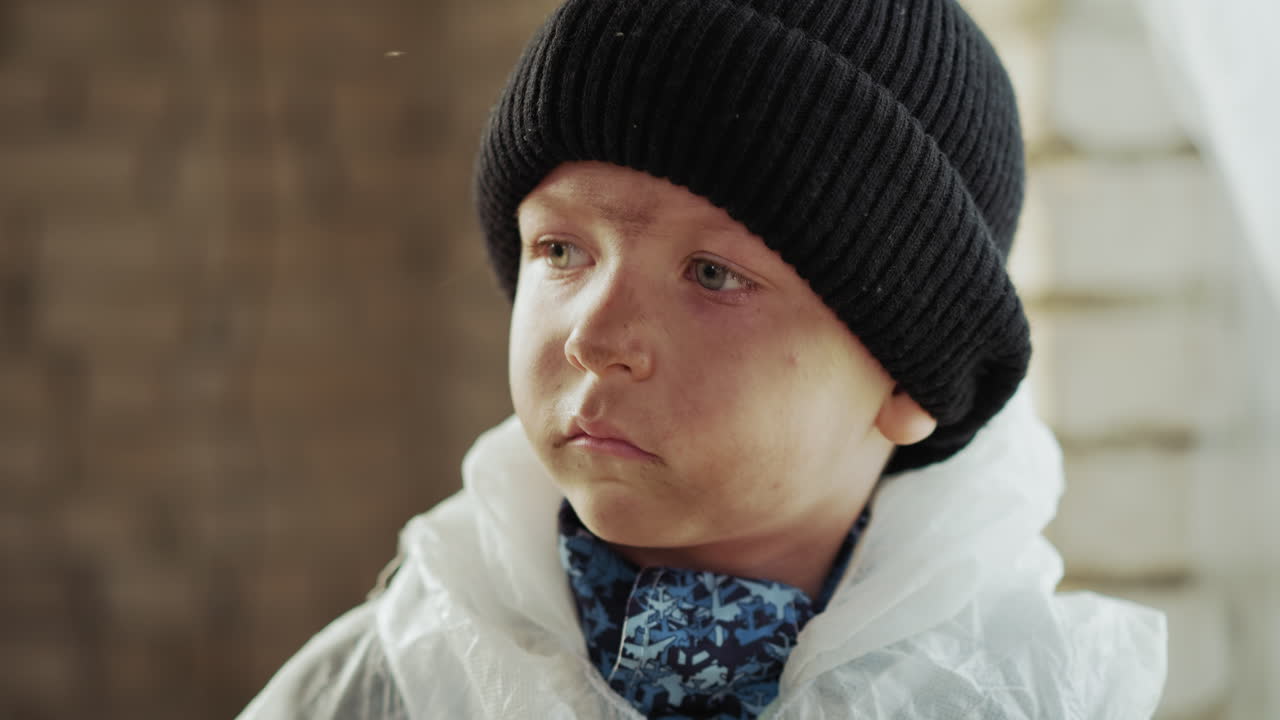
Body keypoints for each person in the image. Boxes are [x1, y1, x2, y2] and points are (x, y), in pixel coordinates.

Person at [238, 0, 1168, 717]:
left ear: (908, 378)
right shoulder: (391, 681)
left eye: (714, 273)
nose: (593, 338)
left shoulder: (1015, 693)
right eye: (561, 251)